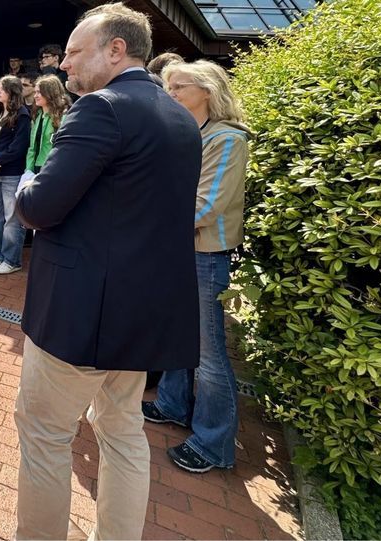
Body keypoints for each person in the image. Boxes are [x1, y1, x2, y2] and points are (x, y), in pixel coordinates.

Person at [12, 3, 202, 539]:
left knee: (44, 433)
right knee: (123, 431)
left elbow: (42, 205)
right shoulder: (179, 118)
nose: (64, 66)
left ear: (116, 49)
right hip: (141, 318)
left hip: (79, 316)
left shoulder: (100, 109)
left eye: (74, 53)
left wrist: (28, 181)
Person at [142, 60, 250, 474]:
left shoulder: (227, 139)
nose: (170, 96)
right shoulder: (192, 134)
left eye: (178, 88)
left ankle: (213, 444)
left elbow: (204, 207)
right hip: (180, 249)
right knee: (179, 336)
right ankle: (172, 404)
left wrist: (149, 219)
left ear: (206, 90)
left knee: (208, 354)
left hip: (204, 254)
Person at [0, 75, 31, 275]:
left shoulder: (22, 115)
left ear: (12, 91)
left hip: (11, 174)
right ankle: (0, 253)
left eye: (2, 88)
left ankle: (12, 259)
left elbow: (18, 147)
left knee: (12, 219)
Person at [24, 75, 70, 178]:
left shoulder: (64, 116)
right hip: (36, 168)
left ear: (50, 93)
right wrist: (28, 170)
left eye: (39, 92)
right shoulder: (37, 115)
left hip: (54, 169)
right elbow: (32, 147)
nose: (35, 96)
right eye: (35, 92)